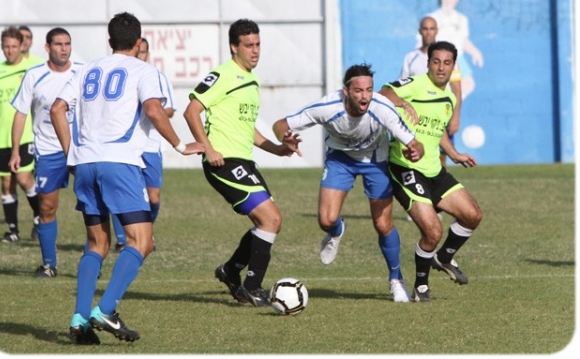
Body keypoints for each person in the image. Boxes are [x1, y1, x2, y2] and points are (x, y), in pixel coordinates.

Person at [50, 12, 204, 344]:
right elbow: (154, 109)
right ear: (138, 42)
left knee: (97, 244)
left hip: (85, 163)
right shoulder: (144, 70)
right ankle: (105, 310)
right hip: (119, 163)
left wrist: (71, 153)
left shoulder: (86, 69)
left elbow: (57, 109)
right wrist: (180, 145)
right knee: (142, 242)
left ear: (110, 41)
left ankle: (80, 318)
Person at [272, 63, 425, 303]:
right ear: (346, 91)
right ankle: (337, 231)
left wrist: (415, 152)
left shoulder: (382, 107)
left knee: (383, 224)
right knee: (326, 220)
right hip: (340, 159)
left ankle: (396, 280)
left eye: (369, 90)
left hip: (375, 160)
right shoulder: (327, 107)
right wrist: (285, 138)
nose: (365, 96)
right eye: (358, 90)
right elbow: (280, 124)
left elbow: (416, 144)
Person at [183, 18, 301, 308]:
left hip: (243, 161)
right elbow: (191, 111)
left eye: (258, 44)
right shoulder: (223, 75)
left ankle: (230, 270)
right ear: (234, 47)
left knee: (268, 222)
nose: (255, 50)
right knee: (271, 219)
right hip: (222, 162)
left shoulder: (252, 79)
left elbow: (248, 130)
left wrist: (278, 149)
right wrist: (208, 149)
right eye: (249, 45)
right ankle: (252, 286)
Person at [379, 41, 483, 303]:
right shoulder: (415, 84)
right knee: (433, 231)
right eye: (436, 62)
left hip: (434, 170)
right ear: (428, 63)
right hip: (405, 168)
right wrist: (404, 103)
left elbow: (438, 132)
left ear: (454, 66)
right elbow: (383, 94)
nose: (441, 67)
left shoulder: (449, 98)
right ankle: (421, 286)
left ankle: (444, 257)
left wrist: (454, 154)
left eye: (447, 63)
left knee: (473, 215)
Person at [9, 27, 81, 277]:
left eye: (67, 44)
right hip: (49, 151)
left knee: (92, 205)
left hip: (81, 150)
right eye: (58, 44)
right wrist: (16, 151)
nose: (64, 48)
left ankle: (92, 262)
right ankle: (49, 264)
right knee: (47, 207)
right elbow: (20, 113)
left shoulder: (82, 72)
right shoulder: (34, 75)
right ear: (48, 48)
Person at [111, 36, 176, 252]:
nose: (140, 56)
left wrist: (150, 108)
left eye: (144, 52)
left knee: (153, 197)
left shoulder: (156, 76)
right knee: (121, 193)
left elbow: (169, 109)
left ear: (147, 53)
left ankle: (145, 233)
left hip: (151, 144)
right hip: (126, 145)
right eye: (138, 52)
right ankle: (123, 239)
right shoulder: (120, 74)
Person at [0, 26, 41, 242]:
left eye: (14, 46)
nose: (10, 50)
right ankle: (13, 230)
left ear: (21, 46)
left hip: (26, 135)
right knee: (6, 183)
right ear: (2, 47)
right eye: (6, 47)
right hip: (2, 137)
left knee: (24, 178)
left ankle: (40, 217)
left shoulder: (33, 68)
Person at [401, 16, 462, 168]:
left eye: (432, 29)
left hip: (441, 114)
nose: (428, 32)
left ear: (437, 31)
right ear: (420, 31)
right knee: (417, 154)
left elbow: (457, 89)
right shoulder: (411, 57)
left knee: (441, 156)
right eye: (425, 29)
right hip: (417, 117)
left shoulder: (447, 58)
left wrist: (455, 117)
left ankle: (437, 181)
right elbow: (402, 89)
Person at [428, 0, 483, 101]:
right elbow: (423, 42)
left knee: (468, 84)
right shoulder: (432, 18)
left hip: (457, 59)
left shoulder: (461, 19)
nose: (452, 0)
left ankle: (451, 103)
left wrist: (475, 52)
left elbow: (463, 41)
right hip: (438, 59)